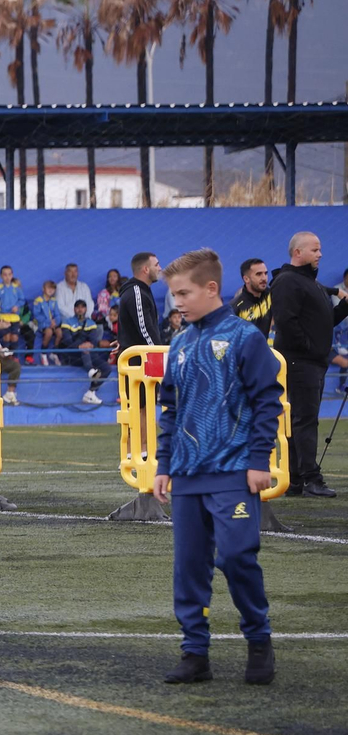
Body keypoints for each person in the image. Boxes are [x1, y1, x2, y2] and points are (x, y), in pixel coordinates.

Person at [152, 249, 283, 686]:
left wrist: (258, 460)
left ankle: (259, 640)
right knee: (189, 566)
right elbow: (169, 408)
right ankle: (195, 653)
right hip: (187, 477)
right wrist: (164, 465)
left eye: (184, 293)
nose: (178, 303)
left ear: (211, 288)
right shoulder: (181, 342)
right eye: (173, 295)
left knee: (236, 557)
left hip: (233, 473)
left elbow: (267, 401)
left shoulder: (246, 337)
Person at [270, 231, 348, 498]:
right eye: (315, 250)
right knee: (305, 420)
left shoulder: (309, 283)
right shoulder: (288, 281)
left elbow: (323, 324)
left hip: (310, 361)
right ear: (298, 252)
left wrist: (344, 307)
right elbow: (285, 320)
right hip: (300, 361)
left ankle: (295, 479)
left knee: (300, 420)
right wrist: (307, 348)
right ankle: (311, 479)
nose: (320, 254)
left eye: (320, 249)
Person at [59, 300, 108, 404]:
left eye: (82, 307)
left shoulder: (91, 323)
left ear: (86, 309)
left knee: (106, 368)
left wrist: (87, 345)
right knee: (84, 350)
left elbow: (93, 341)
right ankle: (91, 371)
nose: (80, 309)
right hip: (73, 356)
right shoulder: (67, 322)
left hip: (90, 354)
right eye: (77, 307)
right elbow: (67, 341)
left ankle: (91, 392)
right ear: (74, 309)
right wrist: (79, 346)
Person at [115, 252, 163, 354]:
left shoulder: (141, 291)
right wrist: (160, 354)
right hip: (138, 362)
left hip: (140, 359)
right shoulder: (137, 293)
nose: (160, 268)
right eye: (156, 265)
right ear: (146, 269)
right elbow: (145, 330)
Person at [231, 258, 272, 336]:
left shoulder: (271, 295)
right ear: (246, 279)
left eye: (265, 273)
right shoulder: (235, 307)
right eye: (259, 274)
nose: (264, 278)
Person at [0, 267, 24, 356]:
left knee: (14, 337)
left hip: (15, 317)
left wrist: (17, 306)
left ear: (12, 275)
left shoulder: (17, 288)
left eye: (9, 274)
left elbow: (22, 300)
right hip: (3, 317)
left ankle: (14, 357)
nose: (7, 277)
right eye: (5, 275)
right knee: (7, 337)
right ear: (1, 276)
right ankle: (6, 357)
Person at [31, 280, 63, 366]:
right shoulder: (38, 300)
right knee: (49, 332)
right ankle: (43, 353)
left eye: (53, 288)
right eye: (48, 288)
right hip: (43, 324)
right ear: (43, 289)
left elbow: (57, 314)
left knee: (59, 333)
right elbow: (37, 315)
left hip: (53, 323)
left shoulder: (54, 301)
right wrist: (49, 322)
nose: (50, 290)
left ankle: (54, 353)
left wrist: (56, 322)